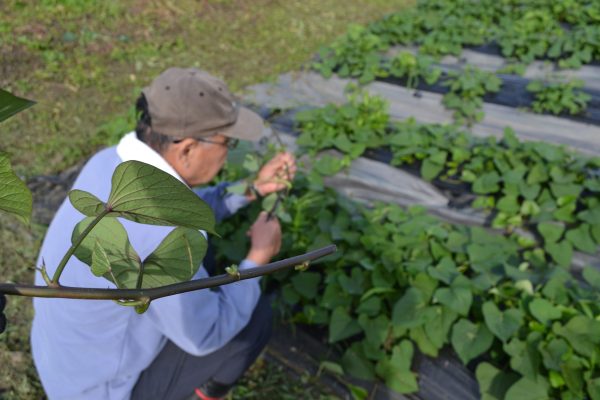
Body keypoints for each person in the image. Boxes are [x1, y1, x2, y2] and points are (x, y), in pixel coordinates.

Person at [31, 67, 296, 400]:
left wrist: (250, 190)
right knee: (254, 318)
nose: (229, 152)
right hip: (102, 391)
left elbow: (175, 204)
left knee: (205, 259)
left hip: (62, 364)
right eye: (227, 142)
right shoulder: (166, 232)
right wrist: (257, 259)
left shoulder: (108, 161)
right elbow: (205, 336)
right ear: (186, 149)